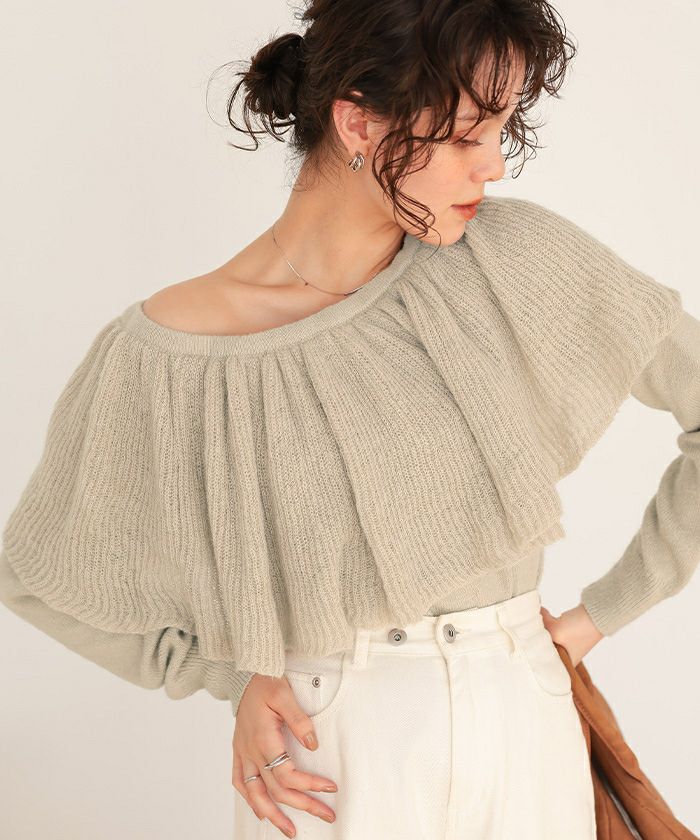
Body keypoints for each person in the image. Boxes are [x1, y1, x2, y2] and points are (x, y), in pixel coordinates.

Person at [1, 1, 699, 839]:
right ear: (358, 123)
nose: (494, 168)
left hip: (524, 712)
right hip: (327, 746)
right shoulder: (169, 353)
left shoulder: (510, 259)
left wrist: (598, 616)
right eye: (467, 137)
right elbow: (40, 576)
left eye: (502, 132)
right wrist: (233, 678)